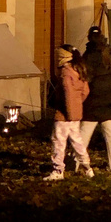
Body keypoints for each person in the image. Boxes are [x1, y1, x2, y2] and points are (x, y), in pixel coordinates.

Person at [45, 46, 94, 181]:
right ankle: (87, 167)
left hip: (64, 114)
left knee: (58, 141)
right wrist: (77, 106)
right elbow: (85, 91)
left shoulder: (66, 72)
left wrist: (68, 111)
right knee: (77, 141)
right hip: (76, 113)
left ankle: (58, 170)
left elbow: (68, 93)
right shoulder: (79, 69)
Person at [79, 26, 111, 172]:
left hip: (93, 98)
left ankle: (75, 163)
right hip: (108, 97)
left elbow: (86, 76)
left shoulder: (89, 54)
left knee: (84, 133)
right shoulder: (108, 52)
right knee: (110, 132)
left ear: (89, 37)